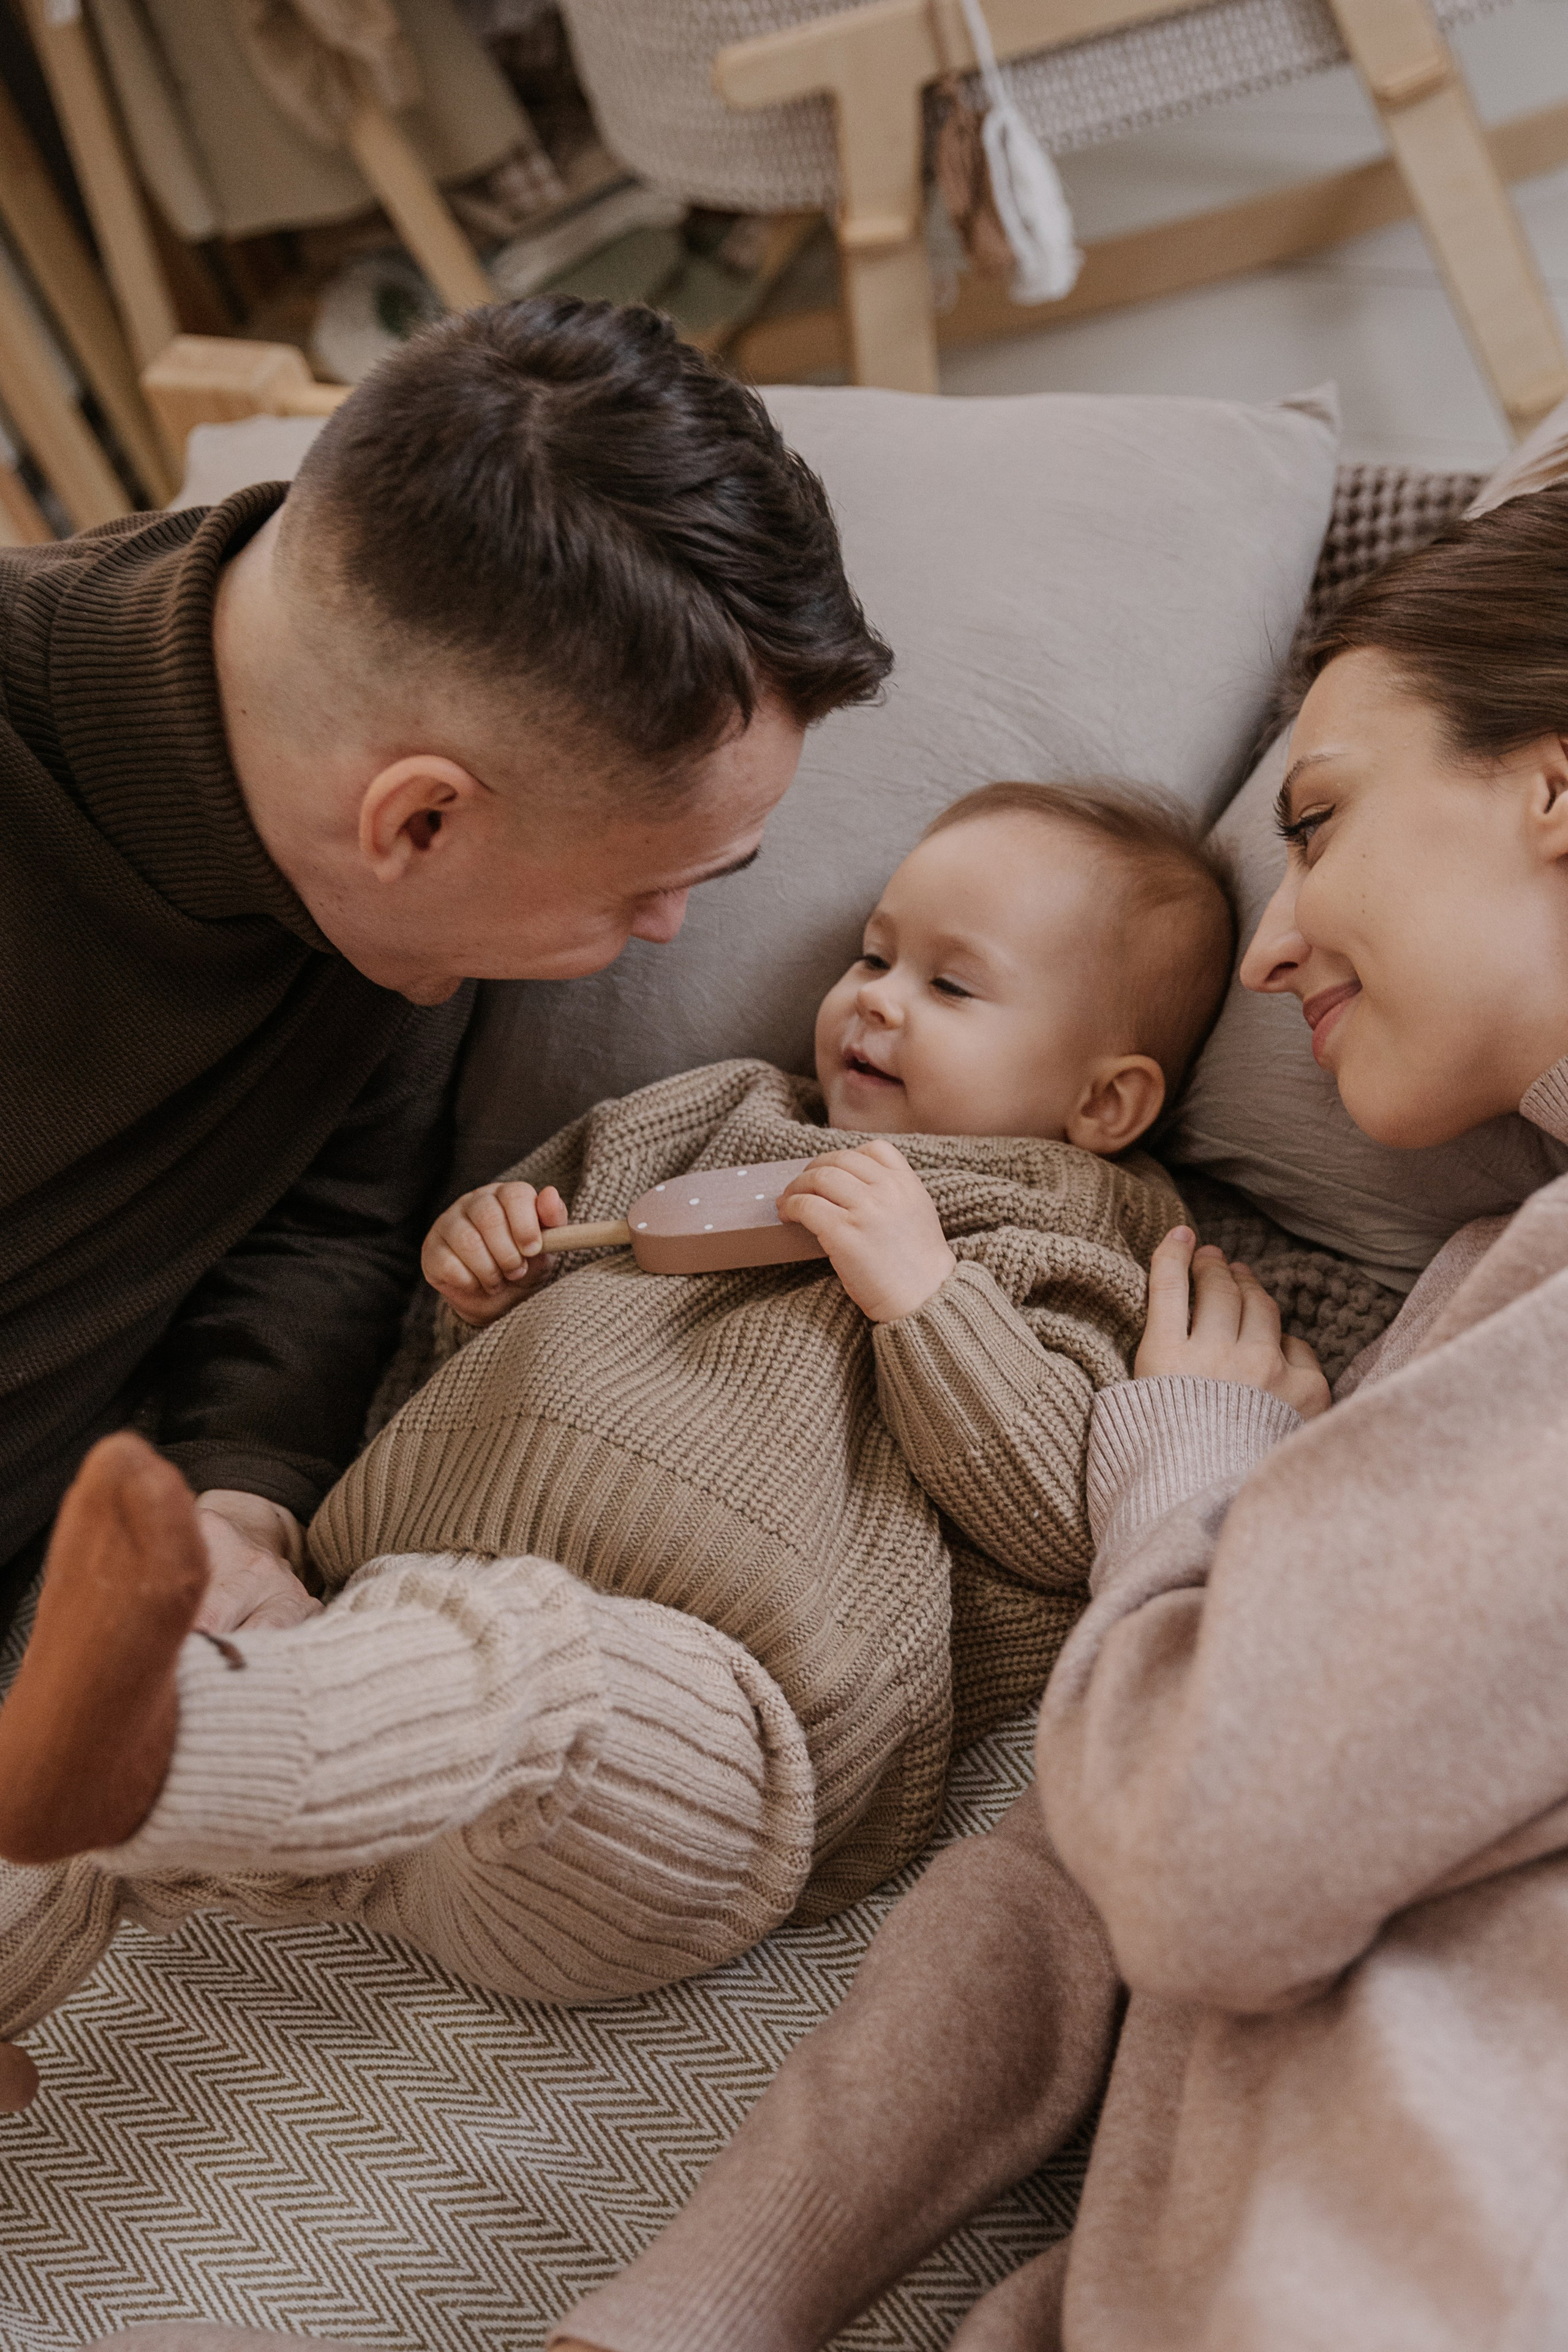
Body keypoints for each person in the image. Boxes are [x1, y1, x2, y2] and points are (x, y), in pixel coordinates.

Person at [515, 478, 1568, 2352]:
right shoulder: (1488, 1281)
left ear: (1556, 789)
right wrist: (699, 2307)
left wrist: (1178, 1491)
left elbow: (1193, 1846)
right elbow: (1079, 1853)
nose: (1271, 943)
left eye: (1318, 824)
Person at [0, 293, 890, 2108]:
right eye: (651, 889)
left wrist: (246, 1506)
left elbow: (329, 1221)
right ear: (414, 821)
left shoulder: (383, 903)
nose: (670, 940)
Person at [0, 780, 1238, 2035]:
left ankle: (190, 1725)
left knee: (541, 1674)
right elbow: (485, 1312)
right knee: (135, 1798)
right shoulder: (709, 1117)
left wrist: (924, 1297)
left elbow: (1058, 1516)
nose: (874, 995)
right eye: (874, 953)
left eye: (949, 987)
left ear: (1105, 1104)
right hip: (381, 1639)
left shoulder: (1065, 1237)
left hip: (709, 1745)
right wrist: (480, 1266)